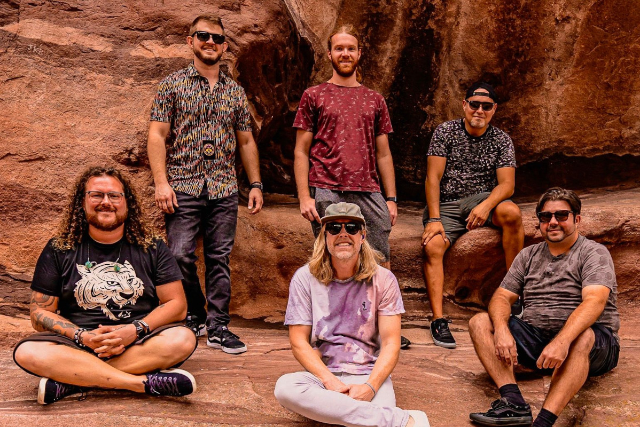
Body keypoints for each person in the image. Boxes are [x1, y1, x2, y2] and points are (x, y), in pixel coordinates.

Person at [13, 167, 197, 405]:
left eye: (114, 196)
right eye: (96, 195)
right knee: (27, 352)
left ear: (127, 203)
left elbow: (177, 305)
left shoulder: (152, 247)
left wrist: (134, 330)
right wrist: (83, 336)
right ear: (82, 202)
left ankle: (72, 379)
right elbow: (39, 313)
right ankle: (140, 384)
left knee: (182, 338)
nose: (106, 202)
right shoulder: (59, 249)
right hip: (77, 343)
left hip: (137, 341)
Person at [147, 14, 263, 354]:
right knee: (179, 255)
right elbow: (157, 135)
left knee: (219, 258)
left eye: (217, 38)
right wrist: (161, 183)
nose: (210, 42)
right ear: (191, 41)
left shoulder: (235, 92)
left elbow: (246, 141)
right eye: (203, 36)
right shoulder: (172, 85)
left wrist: (255, 184)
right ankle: (195, 313)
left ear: (224, 47)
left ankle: (218, 327)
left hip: (224, 188)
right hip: (183, 184)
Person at [468, 188, 620, 427]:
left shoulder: (593, 253)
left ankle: (543, 422)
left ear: (577, 219)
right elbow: (502, 297)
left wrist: (562, 342)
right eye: (546, 216)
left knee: (583, 337)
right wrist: (502, 330)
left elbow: (594, 302)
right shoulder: (528, 255)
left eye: (561, 215)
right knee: (480, 322)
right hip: (538, 340)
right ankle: (513, 403)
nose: (553, 222)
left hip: (592, 345)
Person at [274, 202, 429, 427]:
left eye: (352, 228)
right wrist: (330, 382)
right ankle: (404, 421)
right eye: (334, 228)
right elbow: (298, 342)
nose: (343, 234)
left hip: (369, 373)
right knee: (285, 388)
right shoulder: (304, 278)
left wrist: (370, 387)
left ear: (363, 236)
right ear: (324, 236)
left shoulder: (384, 279)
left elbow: (391, 343)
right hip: (322, 375)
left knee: (366, 411)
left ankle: (346, 412)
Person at [421, 82, 524, 349]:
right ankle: (438, 319)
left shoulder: (501, 139)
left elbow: (507, 185)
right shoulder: (446, 132)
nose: (479, 110)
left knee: (512, 213)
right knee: (432, 246)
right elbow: (433, 177)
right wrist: (434, 219)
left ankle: (513, 294)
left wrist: (486, 205)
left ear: (494, 109)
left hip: (482, 201)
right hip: (447, 203)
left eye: (486, 106)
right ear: (464, 105)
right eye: (474, 104)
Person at [293, 24, 397, 269]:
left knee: (380, 258)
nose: (345, 54)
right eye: (339, 49)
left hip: (368, 189)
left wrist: (391, 199)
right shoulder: (314, 95)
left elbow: (383, 154)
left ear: (359, 53)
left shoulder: (375, 99)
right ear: (330, 54)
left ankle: (381, 297)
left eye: (351, 49)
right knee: (332, 259)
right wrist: (304, 197)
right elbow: (301, 151)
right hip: (327, 187)